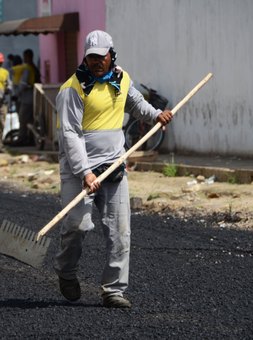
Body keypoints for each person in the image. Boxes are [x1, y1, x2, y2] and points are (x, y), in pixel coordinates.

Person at [54, 30, 173, 308]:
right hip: (79, 169)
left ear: (111, 55)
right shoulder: (73, 88)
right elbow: (70, 134)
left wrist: (156, 114)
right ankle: (66, 270)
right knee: (77, 225)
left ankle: (113, 290)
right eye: (92, 57)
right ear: (86, 57)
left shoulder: (121, 79)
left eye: (101, 57)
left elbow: (136, 104)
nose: (97, 62)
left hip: (114, 165)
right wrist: (85, 172)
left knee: (120, 231)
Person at [15, 49, 41, 145]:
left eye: (25, 56)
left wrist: (16, 94)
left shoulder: (27, 68)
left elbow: (23, 84)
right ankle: (30, 139)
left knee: (23, 119)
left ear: (28, 57)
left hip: (27, 98)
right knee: (30, 120)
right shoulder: (33, 67)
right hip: (33, 98)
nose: (24, 58)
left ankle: (22, 139)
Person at [0, 53, 12, 152]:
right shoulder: (5, 72)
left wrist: (8, 89)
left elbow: (9, 85)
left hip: (2, 102)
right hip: (2, 101)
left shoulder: (5, 72)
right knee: (2, 123)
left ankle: (0, 145)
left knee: (2, 123)